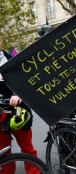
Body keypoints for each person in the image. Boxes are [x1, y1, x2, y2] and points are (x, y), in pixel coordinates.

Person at [0, 37, 40, 173]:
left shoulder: (12, 60)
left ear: (0, 42)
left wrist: (17, 94)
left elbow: (25, 82)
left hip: (18, 112)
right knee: (4, 154)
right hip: (0, 114)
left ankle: (34, 171)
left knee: (27, 149)